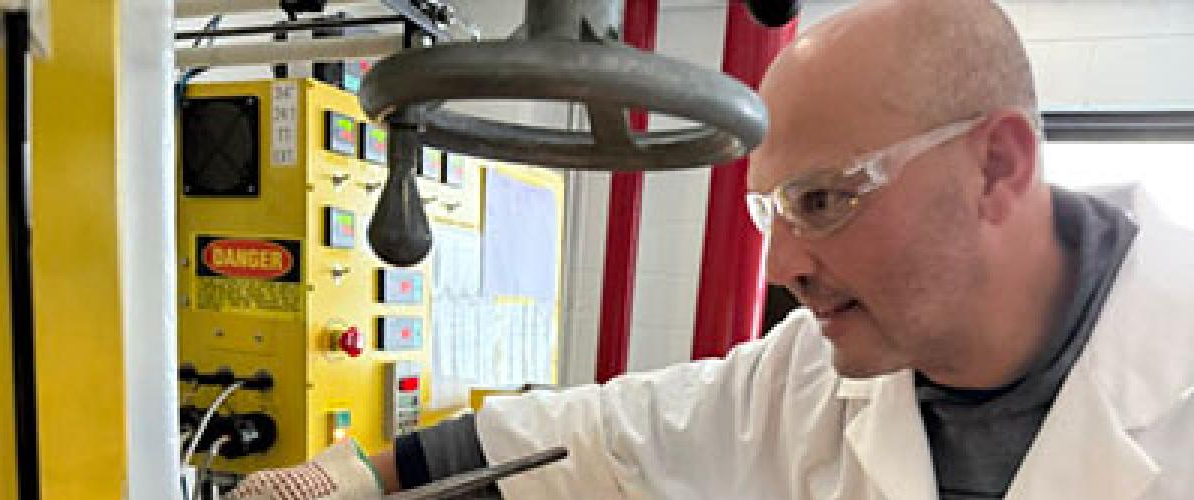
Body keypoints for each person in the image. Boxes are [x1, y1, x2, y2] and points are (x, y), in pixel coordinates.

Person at [227, 0, 1194, 498]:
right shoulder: (813, 374)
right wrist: (349, 477)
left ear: (997, 168)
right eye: (770, 210)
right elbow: (598, 438)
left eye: (824, 198)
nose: (779, 268)